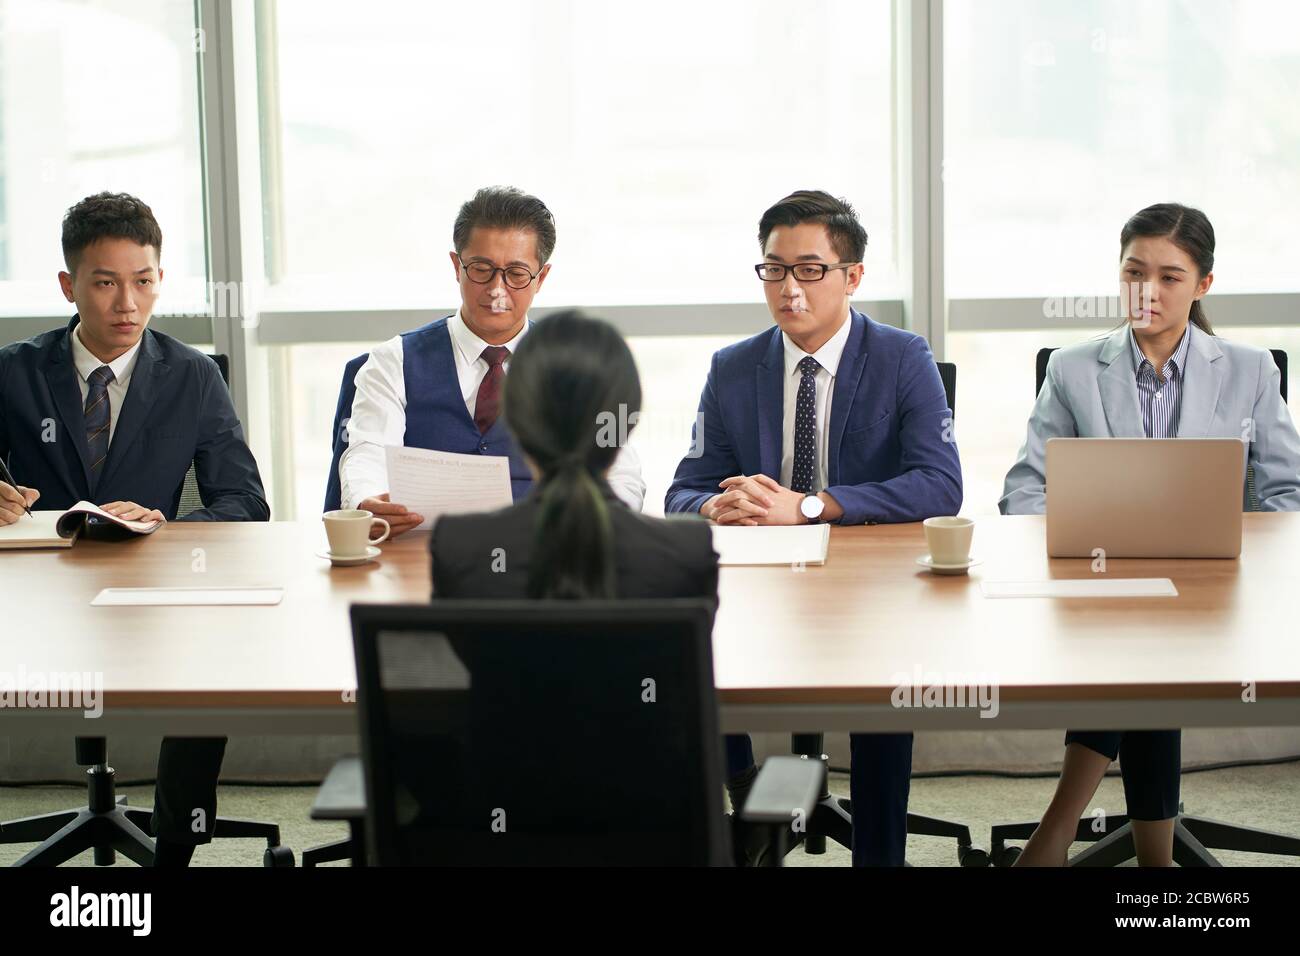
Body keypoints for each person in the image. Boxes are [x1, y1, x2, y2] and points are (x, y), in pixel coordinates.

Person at [664, 190, 963, 865]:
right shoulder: (734, 367)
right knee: (696, 650)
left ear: (852, 276)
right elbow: (682, 489)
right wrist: (715, 507)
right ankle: (749, 811)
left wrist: (806, 505)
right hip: (760, 590)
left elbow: (941, 483)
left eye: (808, 270)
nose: (789, 289)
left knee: (882, 683)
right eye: (774, 270)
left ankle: (879, 854)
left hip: (870, 590)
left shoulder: (902, 358)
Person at [1002, 202, 1300, 865]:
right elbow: (1023, 489)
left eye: (1170, 276)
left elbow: (1287, 494)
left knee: (1140, 652)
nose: (1150, 292)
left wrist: (1253, 557)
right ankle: (1156, 862)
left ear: (1203, 285)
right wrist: (1054, 556)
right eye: (1135, 273)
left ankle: (1058, 830)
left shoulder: (1250, 371)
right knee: (1134, 641)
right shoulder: (1074, 369)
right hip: (1099, 583)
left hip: (1217, 595)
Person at [0, 192, 270, 866]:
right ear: (69, 285)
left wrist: (167, 523)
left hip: (152, 597)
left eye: (143, 282)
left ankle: (176, 846)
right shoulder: (13, 373)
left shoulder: (193, 376)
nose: (127, 303)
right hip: (38, 598)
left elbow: (245, 502)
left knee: (209, 658)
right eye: (106, 282)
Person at [339, 186, 644, 534]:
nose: (497, 290)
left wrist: (598, 522)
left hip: (546, 553)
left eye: (515, 274)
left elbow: (621, 471)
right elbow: (368, 452)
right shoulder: (393, 361)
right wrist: (366, 502)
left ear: (540, 278)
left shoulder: (571, 364)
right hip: (422, 557)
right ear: (457, 266)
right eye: (482, 269)